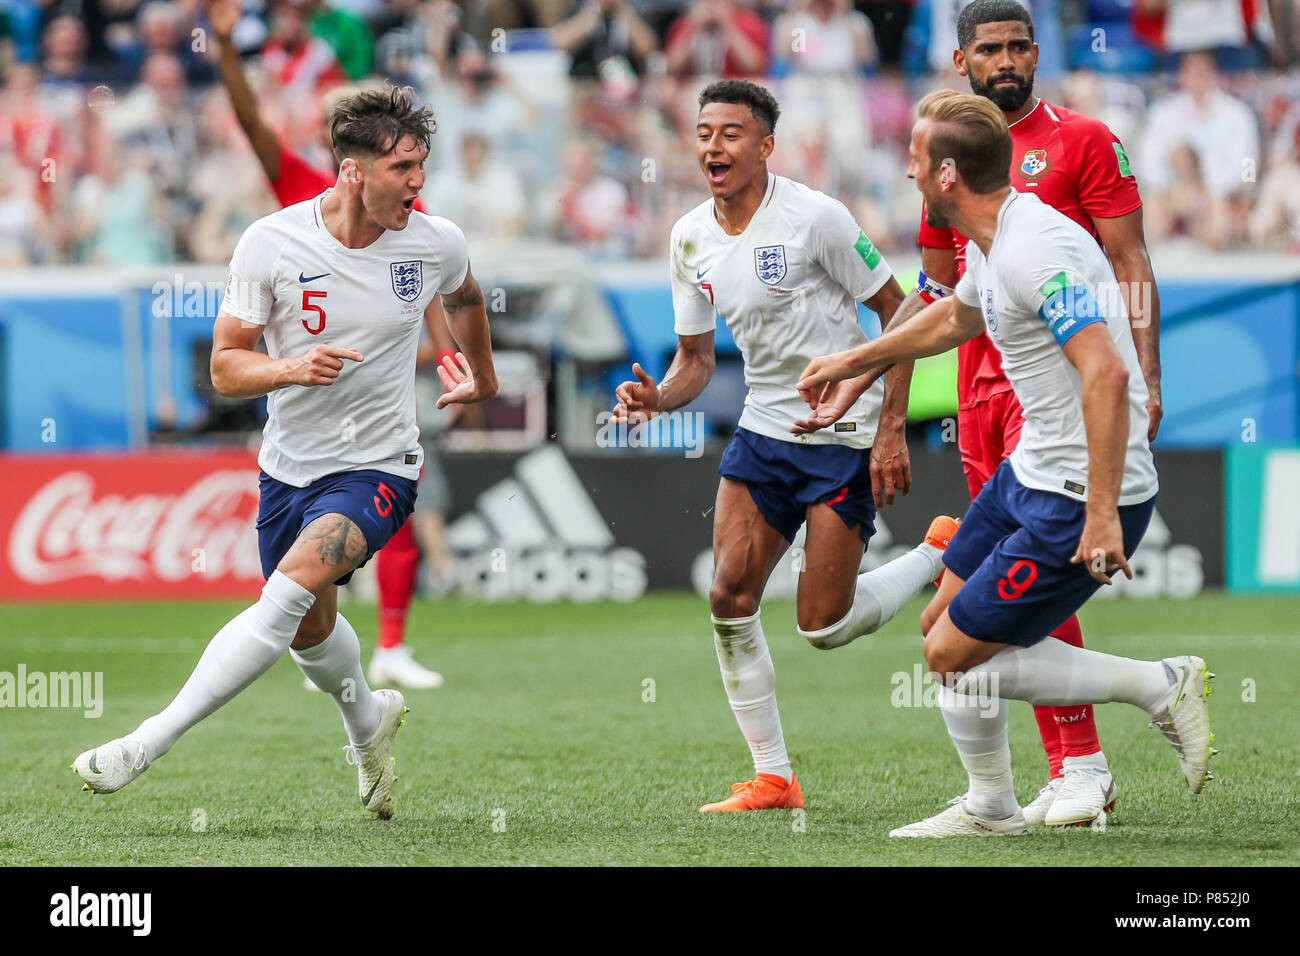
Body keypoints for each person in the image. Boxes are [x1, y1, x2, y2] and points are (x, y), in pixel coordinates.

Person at [797, 89, 1215, 837]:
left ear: (948, 174)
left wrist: (1099, 516)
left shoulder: (1032, 249)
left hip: (1079, 491)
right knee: (939, 627)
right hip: (1031, 473)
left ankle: (1161, 685)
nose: (909, 172)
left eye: (918, 160)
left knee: (951, 654)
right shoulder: (999, 236)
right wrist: (854, 362)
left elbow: (1107, 374)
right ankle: (991, 805)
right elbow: (956, 316)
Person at [72, 86, 498, 817]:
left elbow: (467, 297)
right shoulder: (271, 242)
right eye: (402, 168)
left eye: (422, 165)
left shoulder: (434, 241)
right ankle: (369, 720)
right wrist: (288, 368)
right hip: (286, 469)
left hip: (380, 467)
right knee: (308, 626)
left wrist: (481, 374)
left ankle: (146, 743)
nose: (417, 183)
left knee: (287, 591)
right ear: (352, 171)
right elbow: (225, 365)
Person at [612, 79, 958, 813]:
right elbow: (696, 362)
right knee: (728, 596)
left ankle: (937, 555)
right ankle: (774, 777)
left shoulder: (816, 218)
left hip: (841, 436)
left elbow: (902, 316)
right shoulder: (689, 236)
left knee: (823, 627)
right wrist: (656, 397)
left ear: (765, 146)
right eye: (705, 132)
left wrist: (890, 427)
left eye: (732, 133)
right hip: (764, 432)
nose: (714, 145)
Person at [885, 0, 1163, 828]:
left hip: (1067, 390)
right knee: (987, 593)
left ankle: (1079, 765)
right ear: (961, 61)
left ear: (1036, 52)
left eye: (1018, 47)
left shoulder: (1083, 141)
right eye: (990, 50)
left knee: (1037, 572)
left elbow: (1129, 257)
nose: (1006, 61)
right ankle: (1000, 795)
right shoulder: (946, 152)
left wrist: (1146, 366)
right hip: (981, 384)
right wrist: (887, 411)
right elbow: (935, 294)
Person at [207, 0, 453, 689]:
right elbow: (251, 121)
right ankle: (363, 688)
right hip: (304, 428)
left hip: (384, 405)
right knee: (309, 616)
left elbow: (430, 282)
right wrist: (226, 49)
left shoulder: (405, 207)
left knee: (401, 504)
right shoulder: (290, 204)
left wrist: (450, 357)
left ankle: (395, 642)